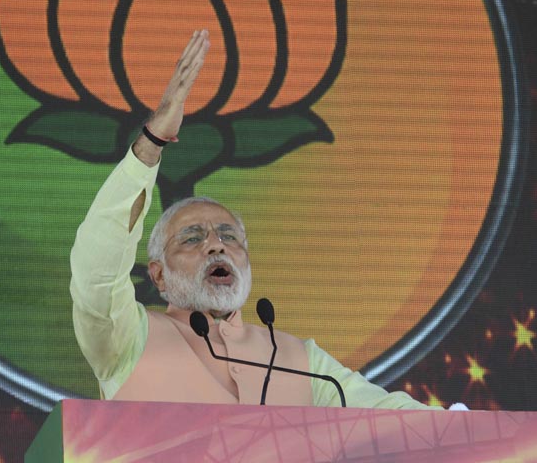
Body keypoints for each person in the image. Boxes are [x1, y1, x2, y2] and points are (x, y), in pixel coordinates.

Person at [70, 29, 441, 409]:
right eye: (192, 238)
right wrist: (151, 141)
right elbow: (95, 268)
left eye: (229, 237)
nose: (216, 245)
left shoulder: (303, 361)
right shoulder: (128, 339)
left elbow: (393, 418)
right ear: (159, 275)